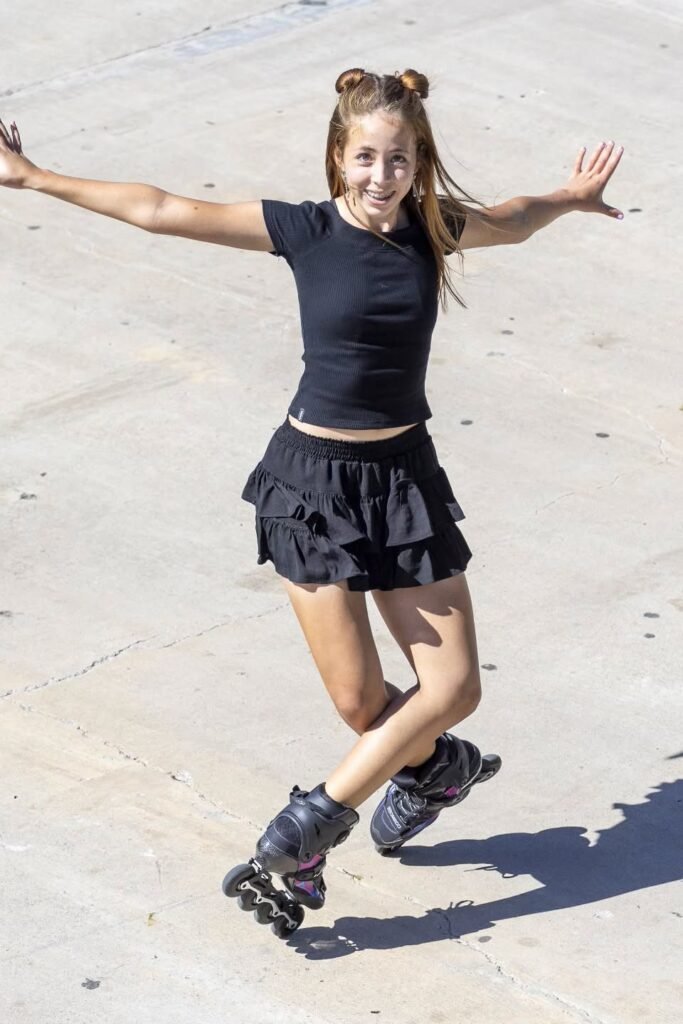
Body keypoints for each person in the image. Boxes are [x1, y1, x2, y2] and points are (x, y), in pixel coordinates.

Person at [0, 67, 624, 939]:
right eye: (365, 157)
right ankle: (436, 775)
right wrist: (36, 178)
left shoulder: (431, 230)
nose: (381, 175)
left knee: (449, 688)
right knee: (368, 713)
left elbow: (511, 221)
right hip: (308, 486)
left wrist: (565, 197)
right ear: (338, 156)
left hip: (402, 481)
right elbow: (160, 207)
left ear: (418, 161)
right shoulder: (302, 229)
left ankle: (302, 833)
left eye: (398, 160)